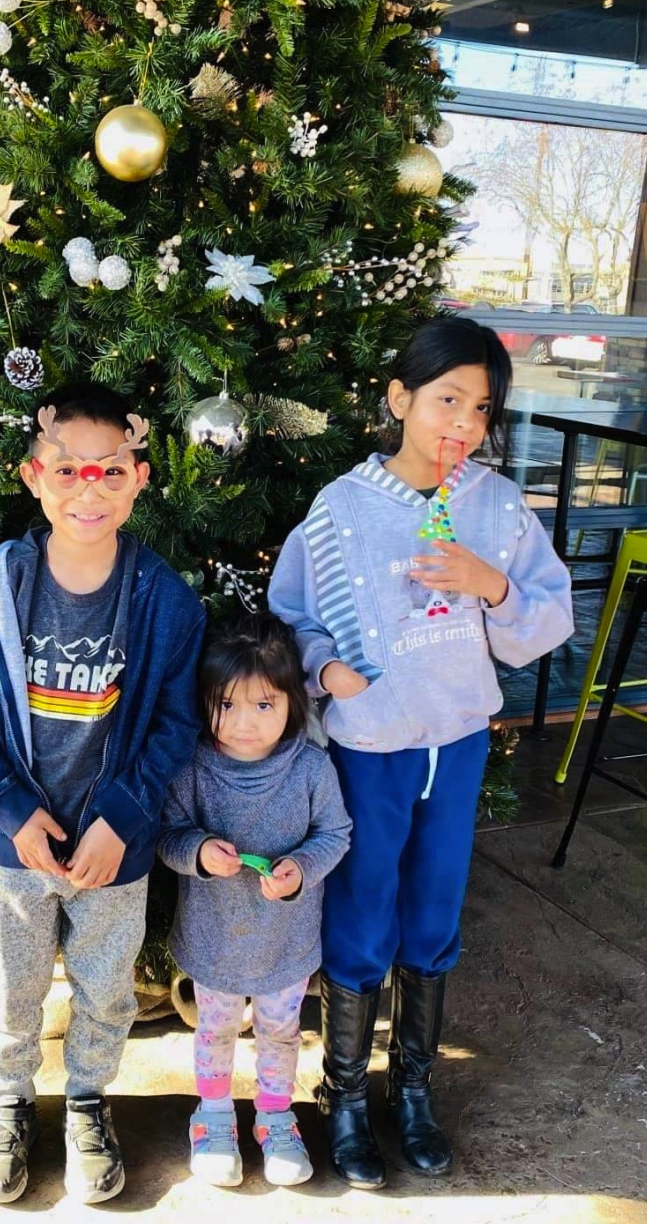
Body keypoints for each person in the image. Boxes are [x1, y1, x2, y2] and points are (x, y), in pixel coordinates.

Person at [269, 317, 573, 1189]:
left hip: (458, 741)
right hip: (373, 747)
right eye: (447, 400)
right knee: (363, 908)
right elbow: (294, 610)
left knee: (435, 911)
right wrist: (324, 667)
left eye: (480, 408)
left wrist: (493, 583)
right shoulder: (342, 510)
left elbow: (546, 615)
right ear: (399, 399)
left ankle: (412, 1090)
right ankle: (345, 1100)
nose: (463, 424)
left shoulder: (496, 505)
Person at [0, 382, 206, 1206]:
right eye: (67, 471)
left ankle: (89, 1099)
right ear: (33, 476)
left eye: (109, 471)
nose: (87, 489)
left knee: (104, 983)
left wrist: (121, 822)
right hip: (16, 844)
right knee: (9, 986)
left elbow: (175, 719)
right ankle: (10, 1101)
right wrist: (11, 813)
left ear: (138, 476)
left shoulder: (164, 598)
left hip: (112, 848)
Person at [158, 613, 352, 1188]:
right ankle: (213, 1116)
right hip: (215, 936)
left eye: (264, 705)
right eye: (227, 704)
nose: (244, 723)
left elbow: (335, 834)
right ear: (205, 701)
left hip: (284, 942)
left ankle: (274, 1115)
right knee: (214, 1029)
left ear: (293, 702)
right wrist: (197, 851)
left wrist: (301, 869)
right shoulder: (192, 766)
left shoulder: (312, 768)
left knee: (281, 1030)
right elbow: (168, 835)